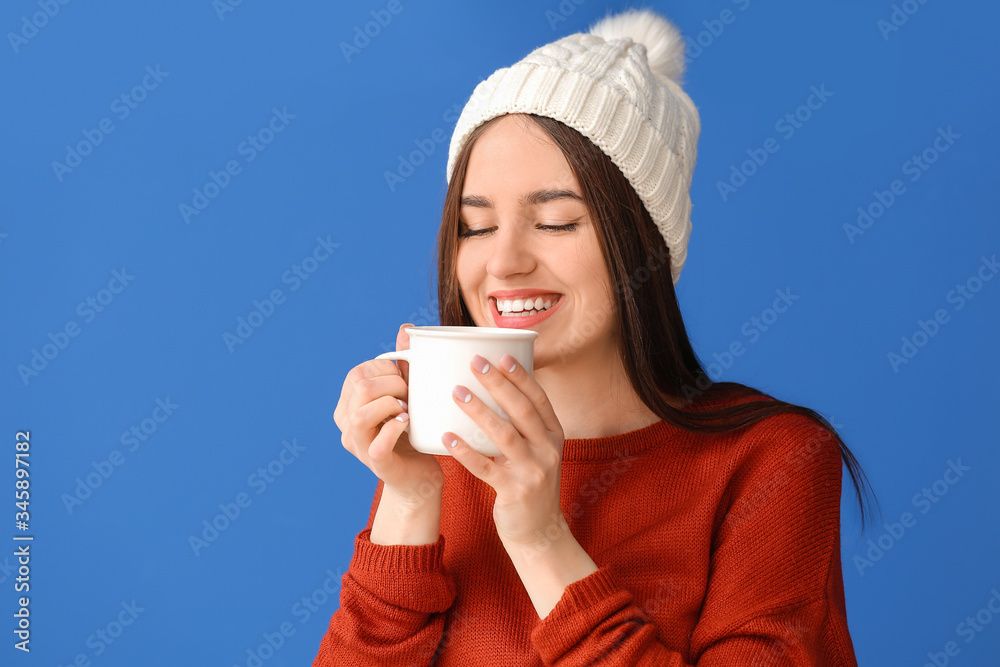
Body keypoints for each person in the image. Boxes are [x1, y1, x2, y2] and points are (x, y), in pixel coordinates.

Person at [314, 8, 874, 665]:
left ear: (644, 242)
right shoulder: (439, 455)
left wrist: (542, 536)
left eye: (554, 221)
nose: (503, 263)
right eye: (476, 225)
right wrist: (409, 500)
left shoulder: (773, 460)